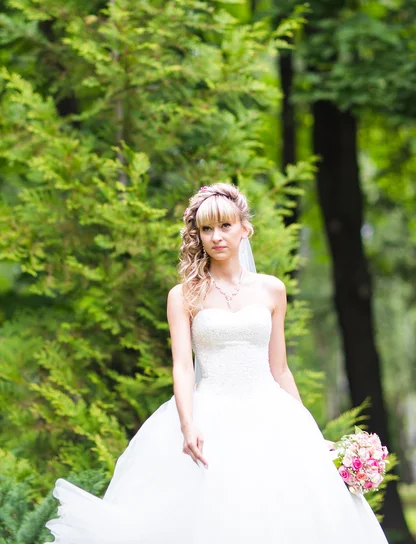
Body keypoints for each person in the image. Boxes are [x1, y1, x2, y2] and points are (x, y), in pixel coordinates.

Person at [45, 182, 389, 543]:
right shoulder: (183, 295)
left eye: (225, 226)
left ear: (245, 228)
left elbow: (280, 368)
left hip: (270, 416)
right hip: (210, 417)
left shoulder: (272, 290)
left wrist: (310, 434)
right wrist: (187, 422)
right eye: (206, 229)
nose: (216, 237)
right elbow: (182, 365)